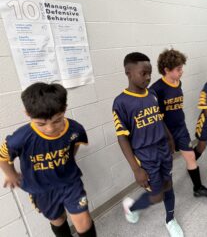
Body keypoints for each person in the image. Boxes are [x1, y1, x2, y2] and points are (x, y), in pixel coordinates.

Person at [0, 83, 96, 237]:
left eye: (57, 121)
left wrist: (66, 161)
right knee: (58, 219)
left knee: (83, 220)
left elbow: (74, 147)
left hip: (69, 182)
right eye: (41, 124)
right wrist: (11, 174)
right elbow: (2, 156)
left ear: (64, 109)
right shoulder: (20, 138)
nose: (50, 129)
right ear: (27, 114)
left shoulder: (75, 129)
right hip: (40, 188)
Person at [112, 52, 183, 237]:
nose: (148, 77)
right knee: (156, 195)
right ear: (128, 72)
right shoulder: (121, 102)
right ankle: (133, 207)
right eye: (143, 73)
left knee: (169, 184)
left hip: (162, 148)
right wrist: (136, 169)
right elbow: (122, 138)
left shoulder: (151, 93)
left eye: (150, 73)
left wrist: (169, 138)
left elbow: (159, 118)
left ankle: (170, 219)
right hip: (145, 155)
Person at [150, 49, 207, 198]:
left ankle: (197, 188)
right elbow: (156, 118)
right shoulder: (156, 90)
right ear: (166, 70)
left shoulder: (178, 82)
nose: (182, 72)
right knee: (165, 165)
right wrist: (168, 137)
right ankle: (157, 189)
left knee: (191, 157)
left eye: (182, 68)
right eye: (178, 69)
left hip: (180, 128)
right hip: (165, 132)